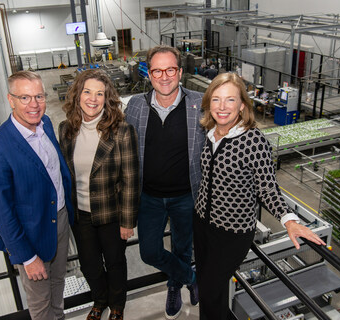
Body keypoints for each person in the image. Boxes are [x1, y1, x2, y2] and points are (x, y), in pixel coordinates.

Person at [193, 72, 326, 320]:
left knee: (211, 291)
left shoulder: (253, 140)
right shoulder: (211, 133)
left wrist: (289, 220)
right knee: (210, 289)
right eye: (216, 99)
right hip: (202, 223)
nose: (222, 107)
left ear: (242, 105)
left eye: (230, 100)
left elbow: (267, 187)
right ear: (208, 103)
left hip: (231, 233)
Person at [0, 71, 74, 320]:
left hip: (60, 221)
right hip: (32, 236)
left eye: (39, 96)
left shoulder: (47, 125)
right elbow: (1, 212)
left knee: (58, 286)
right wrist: (28, 257)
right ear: (10, 100)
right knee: (40, 303)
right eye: (25, 97)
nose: (34, 104)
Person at [124, 45, 204, 320]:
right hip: (149, 197)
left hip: (186, 196)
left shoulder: (199, 103)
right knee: (150, 251)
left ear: (180, 72)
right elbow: (124, 149)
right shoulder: (136, 105)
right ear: (149, 74)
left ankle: (174, 287)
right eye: (157, 70)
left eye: (170, 69)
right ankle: (190, 277)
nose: (165, 76)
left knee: (183, 247)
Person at [59, 69, 139, 320]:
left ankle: (116, 305)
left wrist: (128, 222)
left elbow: (131, 179)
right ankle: (99, 300)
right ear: (77, 95)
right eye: (87, 92)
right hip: (80, 215)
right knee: (90, 266)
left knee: (115, 263)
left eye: (99, 94)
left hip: (112, 213)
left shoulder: (122, 131)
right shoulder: (65, 129)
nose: (92, 99)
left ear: (107, 98)